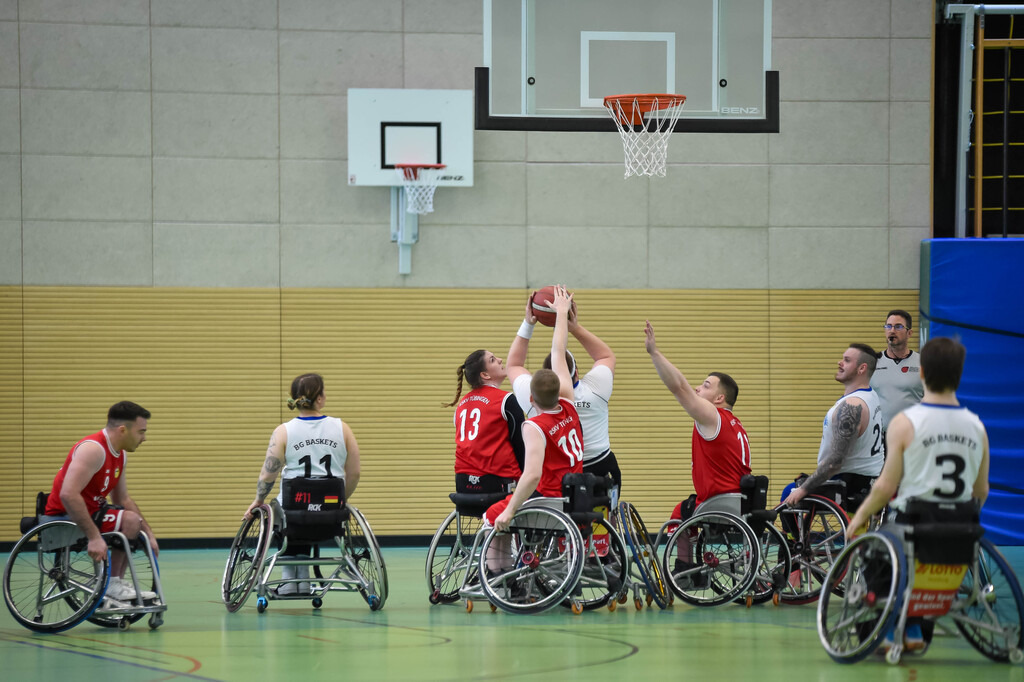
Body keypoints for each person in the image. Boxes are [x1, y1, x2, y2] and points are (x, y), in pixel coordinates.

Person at [846, 336, 989, 652]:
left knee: (877, 549)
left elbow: (885, 487)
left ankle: (888, 630)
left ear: (921, 373)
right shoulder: (977, 426)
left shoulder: (905, 422)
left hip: (915, 524)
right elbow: (980, 491)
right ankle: (913, 626)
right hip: (961, 528)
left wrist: (859, 517)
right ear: (959, 375)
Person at [644, 320, 751, 581]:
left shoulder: (713, 416)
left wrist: (654, 353)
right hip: (739, 499)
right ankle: (692, 570)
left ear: (719, 398)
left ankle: (686, 572)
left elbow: (679, 387)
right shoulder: (735, 424)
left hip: (718, 500)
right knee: (687, 507)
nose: (697, 389)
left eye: (705, 386)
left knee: (679, 514)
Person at [245, 373, 361, 595]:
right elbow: (354, 473)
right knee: (307, 506)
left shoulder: (283, 431)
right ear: (319, 398)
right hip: (331, 511)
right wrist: (340, 501)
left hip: (294, 511)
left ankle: (290, 579)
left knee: (280, 509)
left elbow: (268, 474)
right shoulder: (342, 428)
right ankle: (303, 579)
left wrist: (258, 500)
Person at [485, 286, 582, 537]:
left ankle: (496, 561)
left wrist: (510, 511)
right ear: (560, 389)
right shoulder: (569, 402)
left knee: (493, 516)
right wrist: (561, 314)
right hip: (575, 495)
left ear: (530, 398)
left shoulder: (534, 426)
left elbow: (532, 475)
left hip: (548, 500)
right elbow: (558, 350)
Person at [507, 292, 620, 507]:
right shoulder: (594, 389)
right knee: (601, 518)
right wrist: (573, 326)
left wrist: (528, 324)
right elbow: (605, 356)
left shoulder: (533, 400)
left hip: (562, 475)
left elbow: (513, 365)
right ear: (575, 373)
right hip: (600, 466)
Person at [43, 401, 158, 603]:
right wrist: (94, 537)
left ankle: (115, 582)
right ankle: (111, 584)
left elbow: (122, 499)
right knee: (130, 520)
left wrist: (149, 534)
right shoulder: (93, 449)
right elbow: (68, 494)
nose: (144, 438)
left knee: (132, 520)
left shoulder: (120, 454)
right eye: (141, 432)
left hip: (93, 512)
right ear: (123, 430)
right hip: (64, 516)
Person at [782, 344, 884, 509]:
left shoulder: (852, 406)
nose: (839, 363)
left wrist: (803, 489)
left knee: (788, 492)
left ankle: (793, 528)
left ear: (862, 368)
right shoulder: (871, 396)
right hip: (868, 481)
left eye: (847, 360)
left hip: (849, 484)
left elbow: (835, 462)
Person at [445, 349, 525, 495]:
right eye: (493, 360)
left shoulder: (462, 405)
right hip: (495, 482)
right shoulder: (506, 400)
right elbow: (521, 445)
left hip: (463, 482)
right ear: (485, 375)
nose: (500, 360)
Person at [870, 310, 924, 446]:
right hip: (879, 440)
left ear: (909, 333)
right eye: (888, 326)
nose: (892, 330)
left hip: (913, 438)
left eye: (898, 327)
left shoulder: (923, 363)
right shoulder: (873, 362)